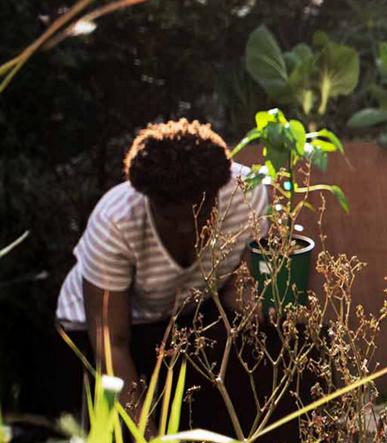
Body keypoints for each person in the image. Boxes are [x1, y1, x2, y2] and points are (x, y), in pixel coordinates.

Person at [56, 118, 269, 416]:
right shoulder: (115, 221)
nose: (185, 230)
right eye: (170, 219)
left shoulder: (248, 194)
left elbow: (238, 291)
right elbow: (112, 345)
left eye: (198, 214)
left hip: (181, 316)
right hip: (95, 334)